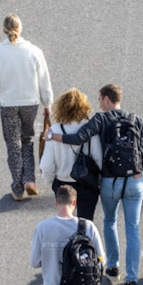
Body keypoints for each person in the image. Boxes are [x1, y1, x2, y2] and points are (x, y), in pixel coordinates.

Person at [54, 84, 143, 285]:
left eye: (99, 99)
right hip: (134, 181)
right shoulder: (135, 120)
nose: (98, 102)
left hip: (110, 182)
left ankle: (113, 267)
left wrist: (55, 137)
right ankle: (132, 281)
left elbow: (79, 138)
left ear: (106, 99)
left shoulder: (101, 119)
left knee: (110, 221)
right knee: (133, 228)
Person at [0, 13, 53, 201]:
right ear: (20, 29)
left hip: (8, 103)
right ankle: (30, 179)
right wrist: (48, 103)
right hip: (31, 102)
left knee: (13, 144)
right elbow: (44, 81)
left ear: (4, 30)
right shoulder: (34, 51)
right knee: (28, 139)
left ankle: (18, 187)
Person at [40, 88, 103, 219]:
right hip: (87, 182)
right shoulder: (89, 130)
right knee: (86, 224)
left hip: (63, 183)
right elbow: (98, 160)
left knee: (65, 221)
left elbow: (46, 165)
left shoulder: (54, 131)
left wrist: (51, 180)